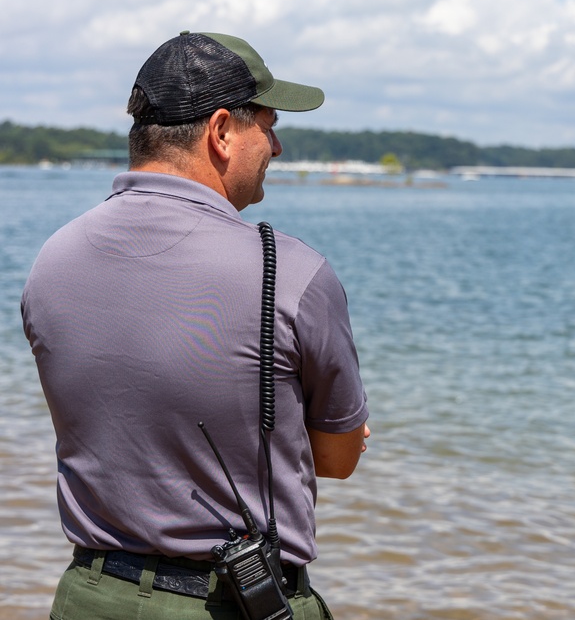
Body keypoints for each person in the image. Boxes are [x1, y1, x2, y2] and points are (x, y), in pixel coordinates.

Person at [22, 31, 370, 619]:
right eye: (268, 123)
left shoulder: (51, 260)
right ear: (222, 131)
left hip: (87, 596)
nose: (278, 146)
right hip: (233, 604)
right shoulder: (292, 272)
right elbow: (337, 459)